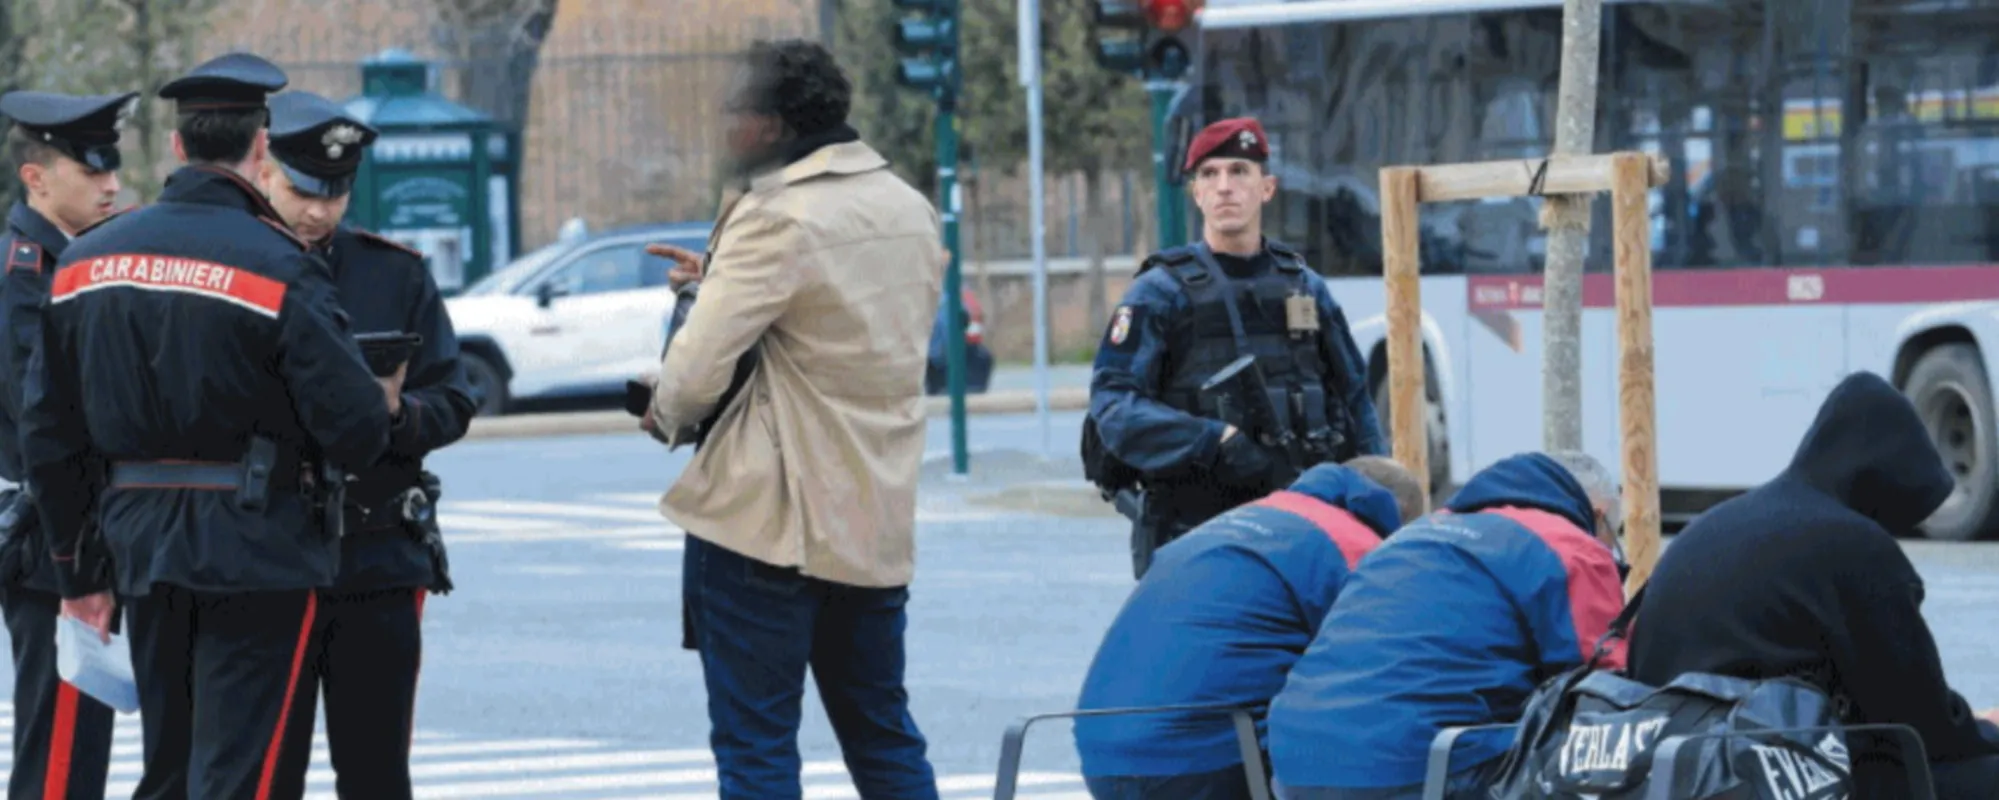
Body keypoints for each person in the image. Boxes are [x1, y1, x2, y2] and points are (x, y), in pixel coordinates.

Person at [19, 52, 395, 800]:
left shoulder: (85, 261)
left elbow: (47, 433)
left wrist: (78, 570)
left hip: (141, 545)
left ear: (178, 146)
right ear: (261, 150)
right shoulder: (280, 265)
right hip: (260, 545)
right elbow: (357, 427)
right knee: (238, 774)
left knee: (170, 766)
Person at [640, 39, 944, 800]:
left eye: (732, 113)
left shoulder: (775, 213)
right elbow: (842, 324)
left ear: (770, 124)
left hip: (765, 520)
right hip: (871, 516)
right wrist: (721, 279)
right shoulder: (908, 208)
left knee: (757, 750)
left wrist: (667, 397)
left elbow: (691, 377)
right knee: (882, 734)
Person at [1626, 371, 1999, 798]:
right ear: (1887, 484)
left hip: (1669, 768)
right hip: (1763, 773)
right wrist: (1985, 728)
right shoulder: (1855, 545)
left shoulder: (1716, 524)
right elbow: (1921, 722)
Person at [257, 90, 476, 800]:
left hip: (376, 552)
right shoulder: (242, 266)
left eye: (338, 191)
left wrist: (395, 414)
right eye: (303, 189)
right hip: (270, 556)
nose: (320, 209)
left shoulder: (394, 272)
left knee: (378, 772)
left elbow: (453, 396)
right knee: (267, 770)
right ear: (264, 167)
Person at [1084, 116, 1385, 579]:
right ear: (1196, 193)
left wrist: (1377, 502)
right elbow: (1114, 408)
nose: (1224, 186)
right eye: (1210, 174)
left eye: (1239, 172)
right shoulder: (1160, 292)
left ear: (1267, 188)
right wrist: (1213, 440)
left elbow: (1355, 400)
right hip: (1195, 534)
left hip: (1302, 527)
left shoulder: (1305, 288)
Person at [1265, 451, 1628, 800]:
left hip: (1294, 759)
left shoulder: (1412, 535)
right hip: (1415, 767)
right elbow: (1606, 684)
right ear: (1600, 515)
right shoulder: (1571, 546)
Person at [1074, 455, 1426, 800]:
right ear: (1399, 514)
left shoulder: (1234, 520)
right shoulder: (1356, 546)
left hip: (1102, 751)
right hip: (1203, 761)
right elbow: (1386, 671)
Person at [0, 88, 134, 800]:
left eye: (111, 168)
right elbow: (43, 422)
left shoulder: (73, 264)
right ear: (37, 177)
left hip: (82, 534)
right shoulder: (26, 279)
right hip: (55, 545)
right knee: (60, 760)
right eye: (92, 171)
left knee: (79, 749)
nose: (111, 183)